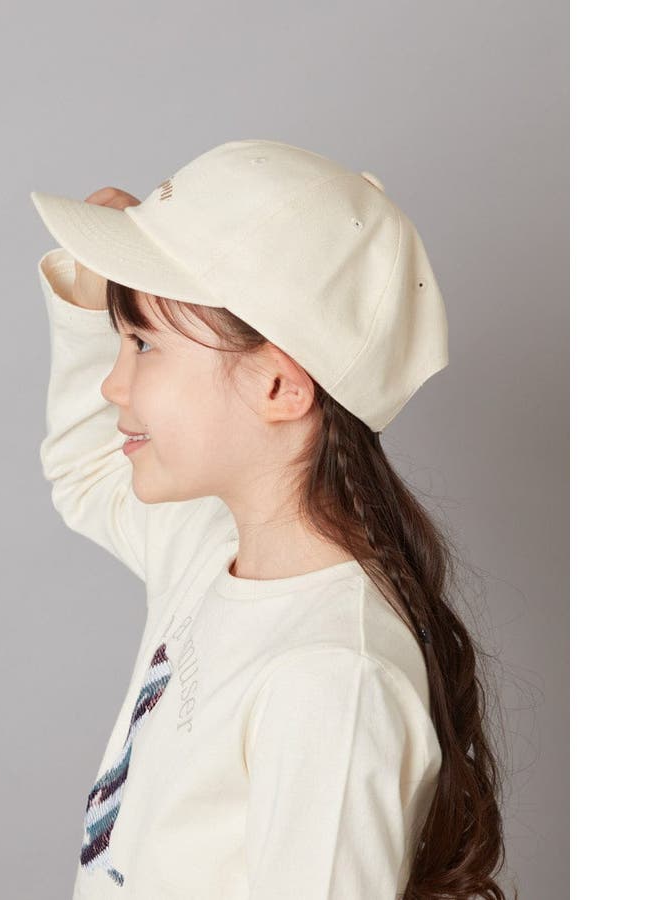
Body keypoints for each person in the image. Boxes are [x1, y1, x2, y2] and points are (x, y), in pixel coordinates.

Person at [30, 140, 512, 899]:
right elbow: (91, 470)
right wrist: (100, 299)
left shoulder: (330, 679)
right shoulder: (213, 543)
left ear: (281, 387)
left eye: (144, 345)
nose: (112, 385)